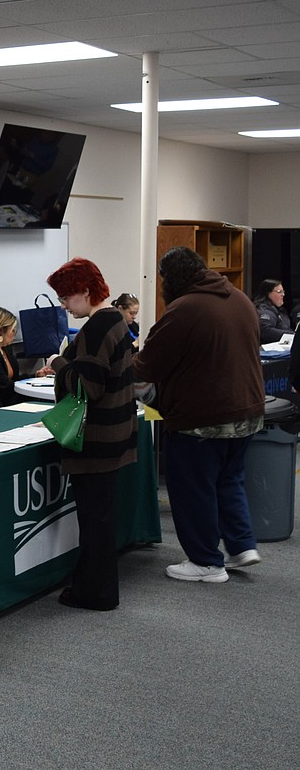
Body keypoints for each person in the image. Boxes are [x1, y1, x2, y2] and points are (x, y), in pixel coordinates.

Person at [135, 246, 265, 582]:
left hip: (202, 418)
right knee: (229, 480)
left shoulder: (184, 309)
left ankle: (207, 562)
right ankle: (241, 546)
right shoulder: (239, 298)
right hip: (248, 411)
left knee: (193, 489)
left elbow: (148, 365)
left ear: (171, 277)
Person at [45, 257, 137, 611]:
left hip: (97, 440)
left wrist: (59, 364)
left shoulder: (97, 328)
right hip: (116, 434)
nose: (64, 306)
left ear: (85, 291)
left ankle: (96, 593)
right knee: (100, 519)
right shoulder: (116, 319)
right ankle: (93, 588)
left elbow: (88, 386)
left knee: (94, 521)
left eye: (67, 298)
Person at [253, 278, 293, 344]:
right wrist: (291, 335)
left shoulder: (281, 310)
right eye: (279, 291)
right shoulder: (263, 310)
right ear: (267, 293)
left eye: (283, 292)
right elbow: (266, 331)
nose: (283, 294)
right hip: (267, 351)